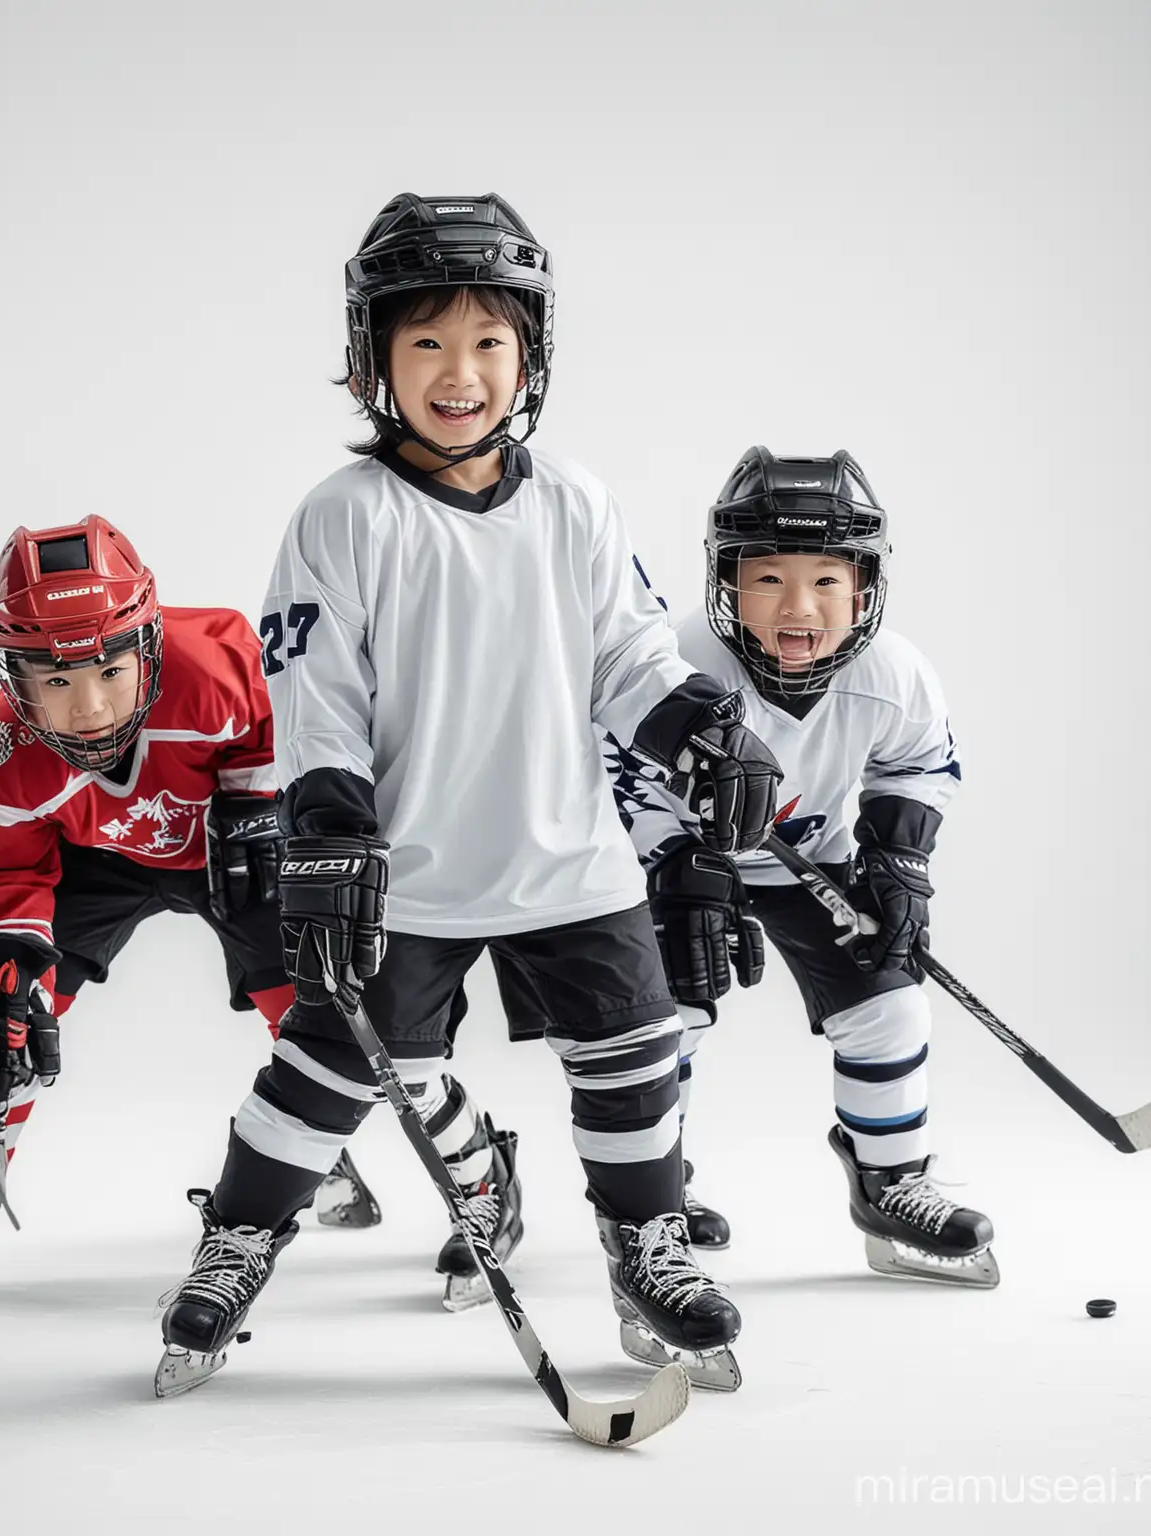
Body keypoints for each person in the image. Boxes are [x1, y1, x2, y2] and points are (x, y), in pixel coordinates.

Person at [154, 193, 783, 1398]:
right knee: (326, 1069)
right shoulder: (344, 515)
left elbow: (627, 656)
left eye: (490, 342)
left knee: (633, 1055)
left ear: (529, 357)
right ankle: (239, 1238)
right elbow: (317, 694)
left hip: (570, 860)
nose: (461, 373)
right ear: (373, 360)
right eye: (428, 343)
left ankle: (643, 1244)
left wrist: (704, 730)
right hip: (412, 870)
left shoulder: (575, 503)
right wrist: (330, 833)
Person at [0, 515, 377, 1304]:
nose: (88, 710)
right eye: (55, 681)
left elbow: (291, 709)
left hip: (226, 838)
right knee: (3, 1010)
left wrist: (253, 796)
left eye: (109, 672)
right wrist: (11, 952)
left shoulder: (211, 661)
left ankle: (367, 1149)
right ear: (13, 675)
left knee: (319, 1003)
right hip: (98, 862)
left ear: (146, 646)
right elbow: (5, 867)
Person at [599, 446, 997, 1287]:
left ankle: (890, 1183)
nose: (799, 607)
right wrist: (676, 869)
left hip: (812, 861)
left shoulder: (895, 673)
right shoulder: (672, 663)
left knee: (891, 1010)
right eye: (769, 578)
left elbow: (918, 764)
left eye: (827, 580)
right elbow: (615, 767)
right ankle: (655, 1202)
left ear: (866, 585)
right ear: (726, 581)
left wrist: (898, 862)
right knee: (666, 1023)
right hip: (681, 869)